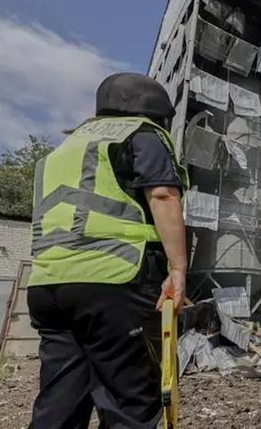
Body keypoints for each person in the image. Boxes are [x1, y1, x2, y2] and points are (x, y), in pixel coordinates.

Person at [26, 72, 190, 428]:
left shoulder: (63, 150)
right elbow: (162, 195)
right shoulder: (142, 135)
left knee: (59, 402)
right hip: (115, 281)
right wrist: (178, 269)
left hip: (48, 286)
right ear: (155, 111)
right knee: (130, 405)